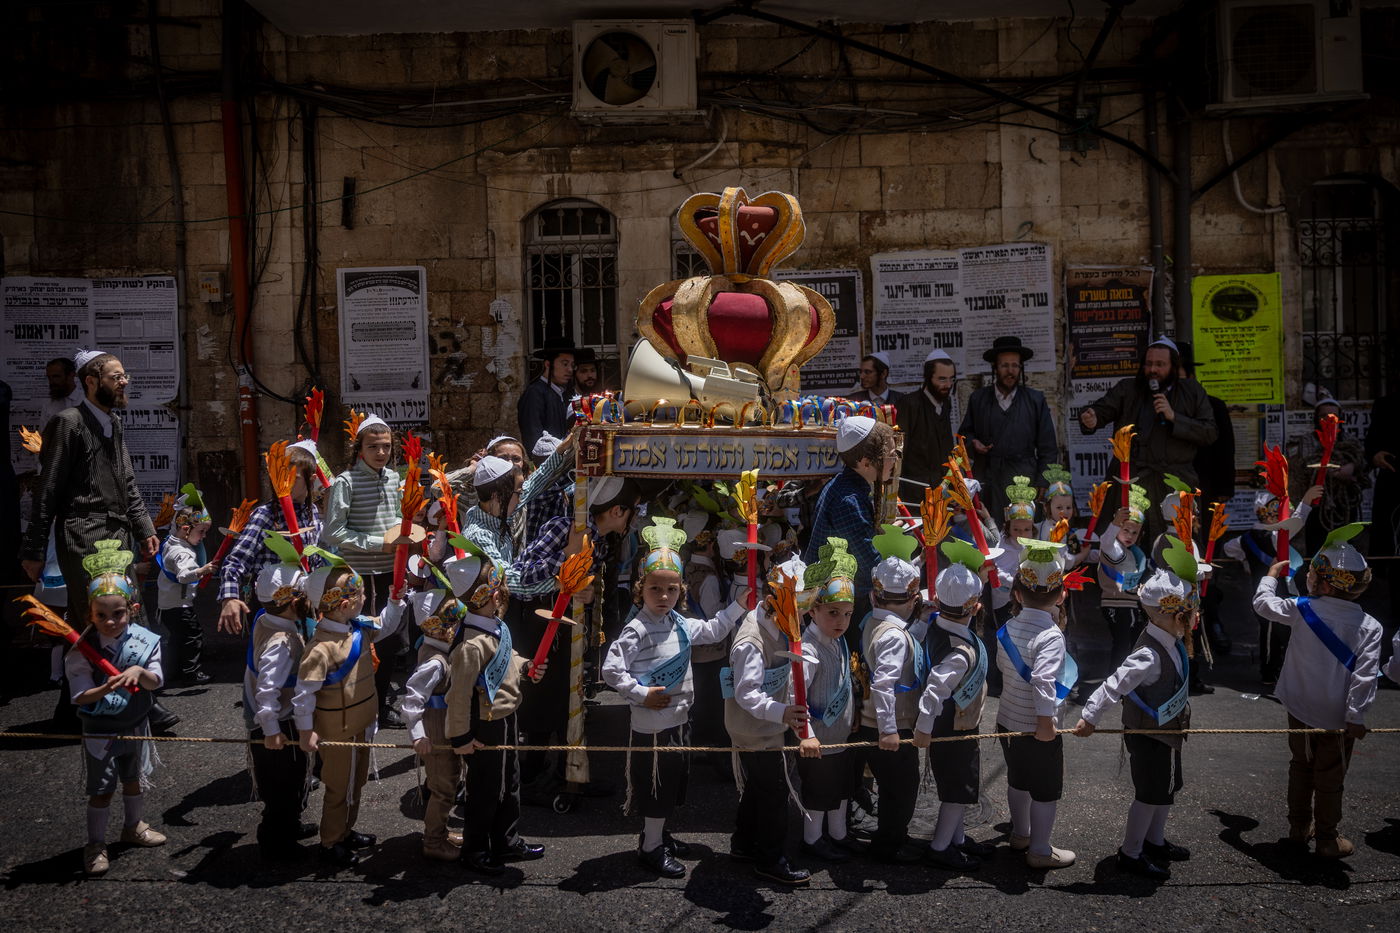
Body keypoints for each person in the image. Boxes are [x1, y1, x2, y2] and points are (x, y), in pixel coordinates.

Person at [22, 351, 160, 728]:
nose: (125, 381)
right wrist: (34, 548)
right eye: (117, 376)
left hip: (117, 535)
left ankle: (135, 698)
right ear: (91, 381)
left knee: (127, 612)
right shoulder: (68, 423)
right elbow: (46, 489)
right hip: (83, 535)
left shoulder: (113, 423)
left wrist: (145, 528)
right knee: (93, 616)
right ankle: (76, 705)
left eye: (124, 375)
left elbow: (128, 483)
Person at [601, 517, 744, 878]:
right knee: (656, 785)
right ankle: (650, 847)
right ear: (640, 590)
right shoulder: (638, 628)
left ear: (681, 590)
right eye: (655, 589)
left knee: (673, 782)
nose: (663, 597)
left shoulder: (679, 623)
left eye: (671, 590)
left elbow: (713, 630)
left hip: (679, 719)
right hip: (652, 724)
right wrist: (640, 693)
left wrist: (740, 605)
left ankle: (660, 834)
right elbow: (611, 670)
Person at [1074, 538, 1203, 881]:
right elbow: (1113, 684)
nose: (1191, 619)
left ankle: (1155, 841)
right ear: (1165, 614)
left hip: (1167, 729)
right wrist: (1089, 716)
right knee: (1148, 794)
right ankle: (1131, 852)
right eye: (1186, 614)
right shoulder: (1147, 654)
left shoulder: (1169, 638)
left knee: (1165, 790)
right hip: (1148, 733)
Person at [1251, 523, 1382, 858]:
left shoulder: (1300, 608)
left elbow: (1263, 605)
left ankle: (1298, 828)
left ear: (1322, 580)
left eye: (1311, 572)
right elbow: (1365, 676)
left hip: (1300, 706)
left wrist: (1270, 576)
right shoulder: (1370, 626)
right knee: (1330, 775)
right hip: (1339, 716)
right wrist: (1356, 715)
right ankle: (1327, 838)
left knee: (1301, 765)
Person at [508, 475, 639, 796]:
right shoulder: (565, 527)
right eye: (632, 511)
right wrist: (565, 563)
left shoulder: (598, 540)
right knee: (543, 705)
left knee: (568, 702)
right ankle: (531, 778)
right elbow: (520, 575)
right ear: (619, 511)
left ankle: (567, 774)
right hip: (544, 630)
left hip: (570, 632)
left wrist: (587, 590)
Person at [293, 553, 406, 867]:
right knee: (338, 786)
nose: (365, 599)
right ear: (343, 604)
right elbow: (304, 694)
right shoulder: (320, 648)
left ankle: (347, 829)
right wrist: (305, 730)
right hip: (337, 728)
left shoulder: (359, 627)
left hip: (361, 722)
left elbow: (387, 624)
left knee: (356, 781)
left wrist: (396, 601)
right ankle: (331, 842)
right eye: (360, 596)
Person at [65, 540, 168, 876]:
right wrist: (104, 686)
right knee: (102, 789)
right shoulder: (82, 650)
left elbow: (156, 682)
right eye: (101, 615)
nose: (111, 621)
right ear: (90, 615)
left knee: (133, 778)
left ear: (132, 609)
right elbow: (80, 696)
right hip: (100, 729)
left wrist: (140, 672)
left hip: (136, 723)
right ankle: (95, 843)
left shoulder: (145, 641)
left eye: (118, 613)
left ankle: (133, 825)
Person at [444, 546, 549, 875]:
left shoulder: (494, 626)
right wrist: (460, 736)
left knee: (511, 783)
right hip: (486, 724)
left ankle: (506, 839)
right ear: (485, 596)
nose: (502, 596)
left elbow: (508, 656)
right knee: (486, 789)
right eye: (497, 591)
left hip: (506, 716)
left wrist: (526, 665)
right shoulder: (469, 645)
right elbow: (458, 695)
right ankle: (475, 848)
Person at [1079, 336, 1218, 544]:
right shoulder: (1128, 389)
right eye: (1149, 364)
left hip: (1174, 481)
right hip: (1132, 480)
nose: (1153, 369)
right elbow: (1103, 409)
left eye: (1160, 365)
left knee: (1176, 545)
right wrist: (1092, 418)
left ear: (1173, 366)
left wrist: (1174, 417)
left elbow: (1209, 432)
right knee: (1127, 542)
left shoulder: (1192, 391)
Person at [724, 555, 812, 886]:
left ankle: (743, 843)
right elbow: (747, 694)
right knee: (774, 791)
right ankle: (770, 858)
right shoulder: (751, 640)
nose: (800, 617)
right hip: (756, 729)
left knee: (759, 789)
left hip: (768, 724)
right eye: (796, 609)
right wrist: (783, 713)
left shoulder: (779, 623)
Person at [913, 538, 995, 871]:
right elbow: (935, 688)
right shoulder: (959, 652)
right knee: (957, 786)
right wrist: (923, 727)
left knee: (957, 785)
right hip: (953, 725)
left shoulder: (936, 627)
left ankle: (957, 839)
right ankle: (940, 845)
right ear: (975, 605)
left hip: (953, 722)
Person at [995, 538, 1076, 870]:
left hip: (1007, 718)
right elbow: (1043, 681)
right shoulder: (1052, 635)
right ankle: (1040, 850)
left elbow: (1004, 668)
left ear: (1016, 594)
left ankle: (1021, 833)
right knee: (1045, 788)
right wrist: (1046, 721)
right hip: (1036, 725)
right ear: (1061, 595)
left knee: (1018, 778)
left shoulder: (1007, 626)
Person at [321, 412, 404, 729]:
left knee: (391, 642)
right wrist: (377, 544)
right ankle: (365, 706)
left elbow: (396, 521)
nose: (381, 453)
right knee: (367, 642)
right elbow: (333, 532)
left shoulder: (393, 478)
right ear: (359, 450)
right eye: (374, 447)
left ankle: (379, 704)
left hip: (390, 572)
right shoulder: (346, 482)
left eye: (386, 447)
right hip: (362, 575)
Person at [857, 528, 929, 865]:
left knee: (893, 786)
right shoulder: (895, 637)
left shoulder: (874, 621)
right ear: (913, 599)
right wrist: (888, 730)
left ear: (874, 596)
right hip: (891, 724)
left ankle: (895, 835)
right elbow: (884, 685)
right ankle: (888, 845)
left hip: (880, 721)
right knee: (901, 787)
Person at [242, 532, 314, 861]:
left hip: (277, 720)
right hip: (276, 724)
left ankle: (290, 824)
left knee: (295, 776)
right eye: (304, 593)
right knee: (281, 783)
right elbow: (267, 688)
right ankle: (275, 839)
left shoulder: (265, 618)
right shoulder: (281, 641)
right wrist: (270, 729)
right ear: (287, 601)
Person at [792, 537, 859, 865]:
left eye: (847, 613)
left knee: (840, 789)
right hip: (818, 737)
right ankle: (812, 838)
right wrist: (806, 734)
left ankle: (839, 834)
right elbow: (796, 698)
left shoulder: (839, 642)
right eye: (833, 612)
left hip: (840, 737)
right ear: (813, 608)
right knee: (818, 793)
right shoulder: (809, 650)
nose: (841, 621)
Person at [803, 415, 897, 645]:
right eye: (890, 455)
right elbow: (868, 561)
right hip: (836, 606)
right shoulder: (848, 499)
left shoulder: (844, 485)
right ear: (866, 462)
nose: (894, 460)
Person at [217, 442, 323, 635]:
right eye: (279, 477)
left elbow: (316, 560)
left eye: (293, 478)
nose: (285, 483)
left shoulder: (313, 513)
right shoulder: (265, 515)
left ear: (311, 479)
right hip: (272, 608)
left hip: (304, 606)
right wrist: (229, 597)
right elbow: (235, 561)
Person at [1223, 483, 1322, 687]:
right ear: (1269, 514)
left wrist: (1245, 559)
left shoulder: (1244, 539)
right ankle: (1270, 671)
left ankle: (1273, 670)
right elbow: (1298, 521)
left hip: (1259, 590)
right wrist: (1305, 502)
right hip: (1279, 591)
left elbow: (1228, 549)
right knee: (1277, 632)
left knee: (1270, 631)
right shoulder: (1277, 536)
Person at [400, 584, 468, 861]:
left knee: (445, 778)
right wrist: (418, 734)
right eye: (454, 619)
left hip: (444, 723)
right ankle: (433, 841)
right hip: (436, 726)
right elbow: (412, 699)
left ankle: (439, 831)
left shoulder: (436, 648)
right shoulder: (435, 662)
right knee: (444, 786)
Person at [958, 336, 1058, 522]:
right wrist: (973, 444)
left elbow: (1048, 447)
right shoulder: (978, 399)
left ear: (1021, 368)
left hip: (1024, 480)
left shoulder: (1035, 400)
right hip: (988, 478)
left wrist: (1043, 480)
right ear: (995, 368)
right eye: (1004, 365)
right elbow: (964, 435)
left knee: (1023, 533)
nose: (1010, 371)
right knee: (990, 533)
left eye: (1015, 365)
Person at [1290, 396, 1369, 555]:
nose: (1329, 419)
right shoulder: (1307, 441)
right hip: (1318, 504)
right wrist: (1335, 472)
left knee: (1345, 546)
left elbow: (1362, 464)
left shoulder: (1350, 441)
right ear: (1317, 418)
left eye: (1334, 415)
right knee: (1317, 546)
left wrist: (1351, 468)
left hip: (1345, 503)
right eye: (1324, 416)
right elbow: (1307, 466)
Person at [155, 485, 217, 686]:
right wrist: (202, 570)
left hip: (166, 605)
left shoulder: (170, 542)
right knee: (193, 635)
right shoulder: (183, 552)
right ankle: (191, 672)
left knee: (176, 638)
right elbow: (183, 576)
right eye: (201, 532)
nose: (203, 537)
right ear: (185, 529)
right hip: (179, 606)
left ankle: (172, 670)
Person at [1097, 490, 1151, 669]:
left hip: (1131, 604)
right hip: (1117, 603)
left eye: (1134, 532)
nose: (1129, 535)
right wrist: (1114, 522)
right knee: (1122, 646)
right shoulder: (1115, 550)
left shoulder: (1133, 552)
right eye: (1125, 529)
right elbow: (1105, 542)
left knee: (1134, 646)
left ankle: (1129, 682)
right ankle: (1115, 681)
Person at [894, 349, 958, 495]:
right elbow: (899, 451)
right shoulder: (909, 404)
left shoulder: (945, 403)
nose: (948, 384)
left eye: (951, 379)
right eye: (942, 379)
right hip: (914, 491)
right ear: (928, 377)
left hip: (942, 490)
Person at [1363, 390, 1399, 635]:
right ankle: (1396, 613)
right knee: (1394, 554)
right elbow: (1372, 443)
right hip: (1395, 485)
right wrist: (1374, 455)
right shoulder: (1387, 404)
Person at [518, 338, 575, 453]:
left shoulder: (565, 394)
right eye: (564, 364)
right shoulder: (534, 393)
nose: (570, 369)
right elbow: (532, 439)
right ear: (548, 364)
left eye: (572, 365)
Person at [39, 355, 85, 428]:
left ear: (71, 375)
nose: (51, 382)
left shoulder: (87, 401)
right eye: (49, 377)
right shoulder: (49, 405)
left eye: (56, 376)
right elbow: (43, 435)